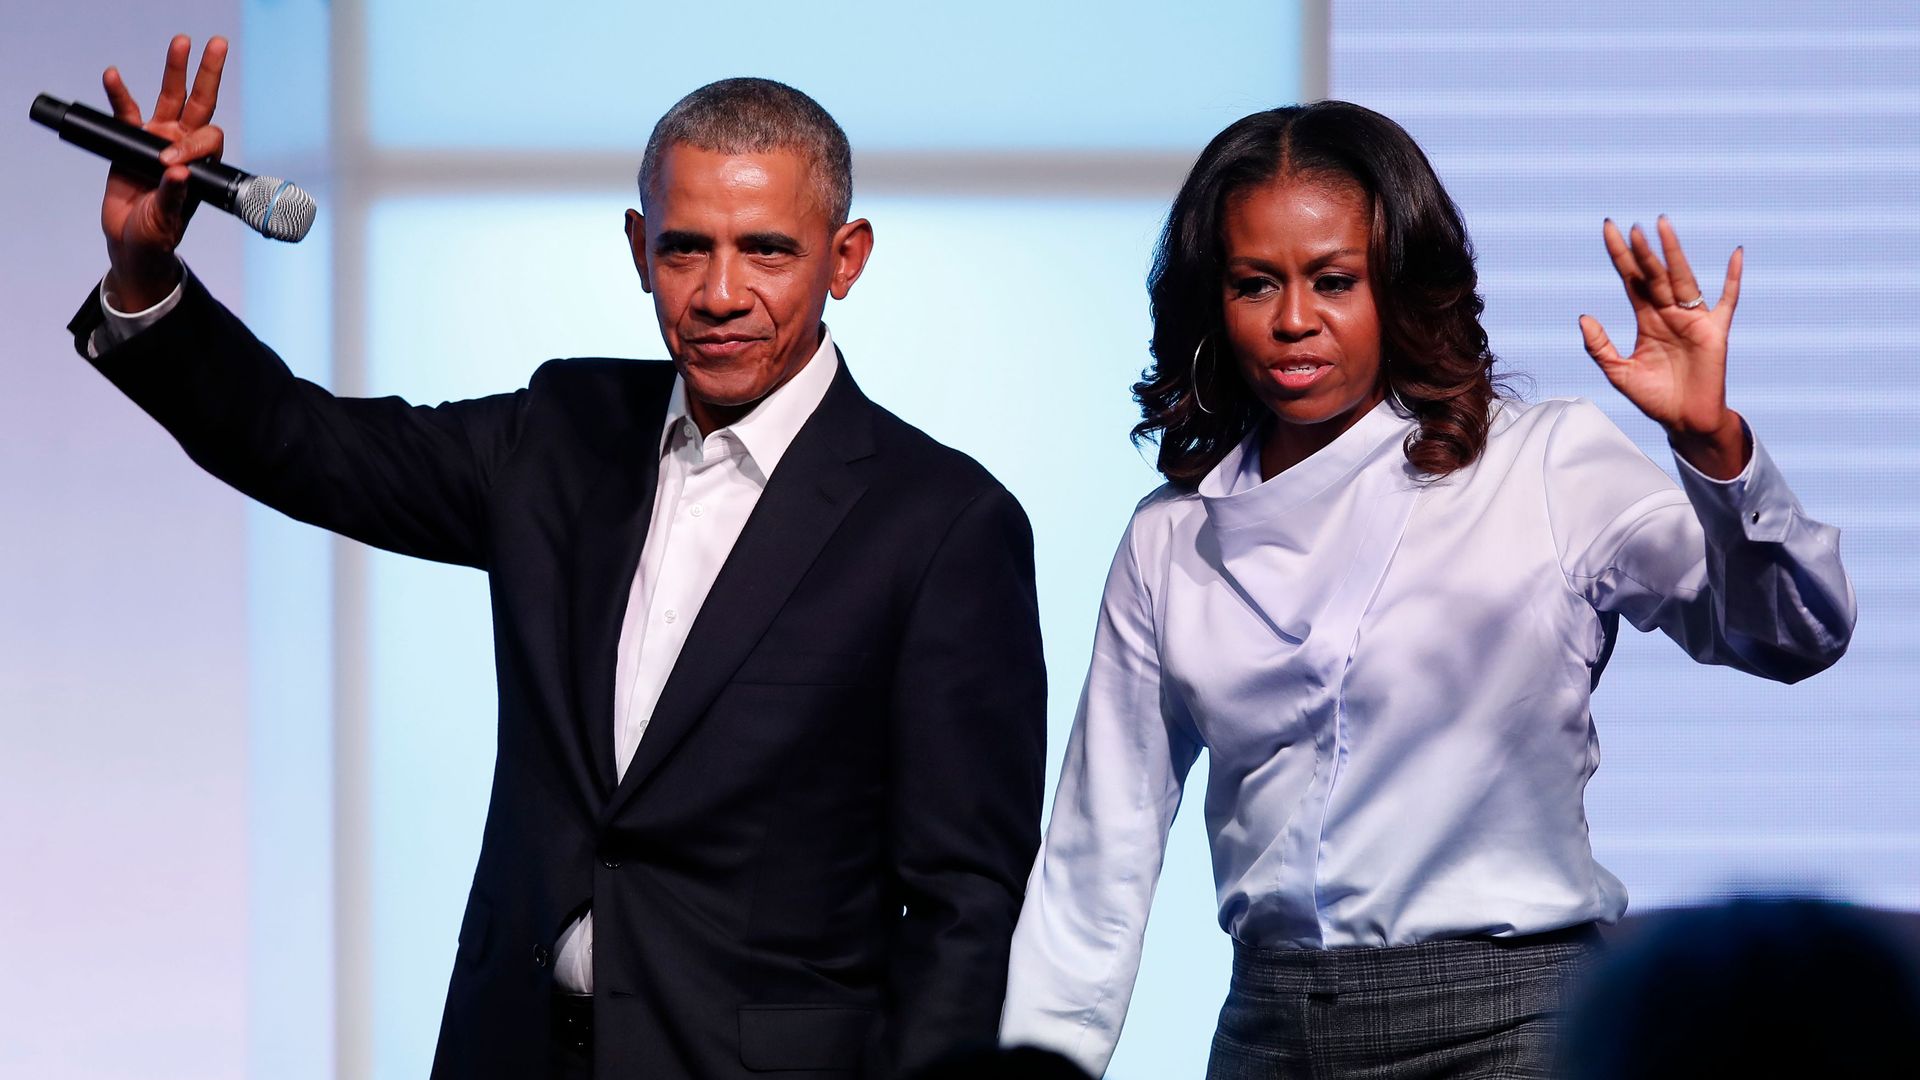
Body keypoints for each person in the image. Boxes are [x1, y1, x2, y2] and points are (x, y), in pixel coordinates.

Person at [72, 36, 1047, 1080]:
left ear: (845, 257)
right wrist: (145, 271)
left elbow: (963, 903)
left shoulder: (943, 523)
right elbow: (301, 445)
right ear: (637, 245)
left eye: (767, 251)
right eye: (684, 250)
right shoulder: (559, 431)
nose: (720, 293)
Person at [999, 101, 1855, 1078]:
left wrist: (1713, 448)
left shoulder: (1543, 462)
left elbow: (1791, 635)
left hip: (1513, 1027)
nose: (1292, 320)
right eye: (1255, 283)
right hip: (1272, 1033)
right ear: (1213, 303)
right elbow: (1099, 849)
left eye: (1334, 280)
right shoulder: (1170, 536)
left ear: (1401, 286)